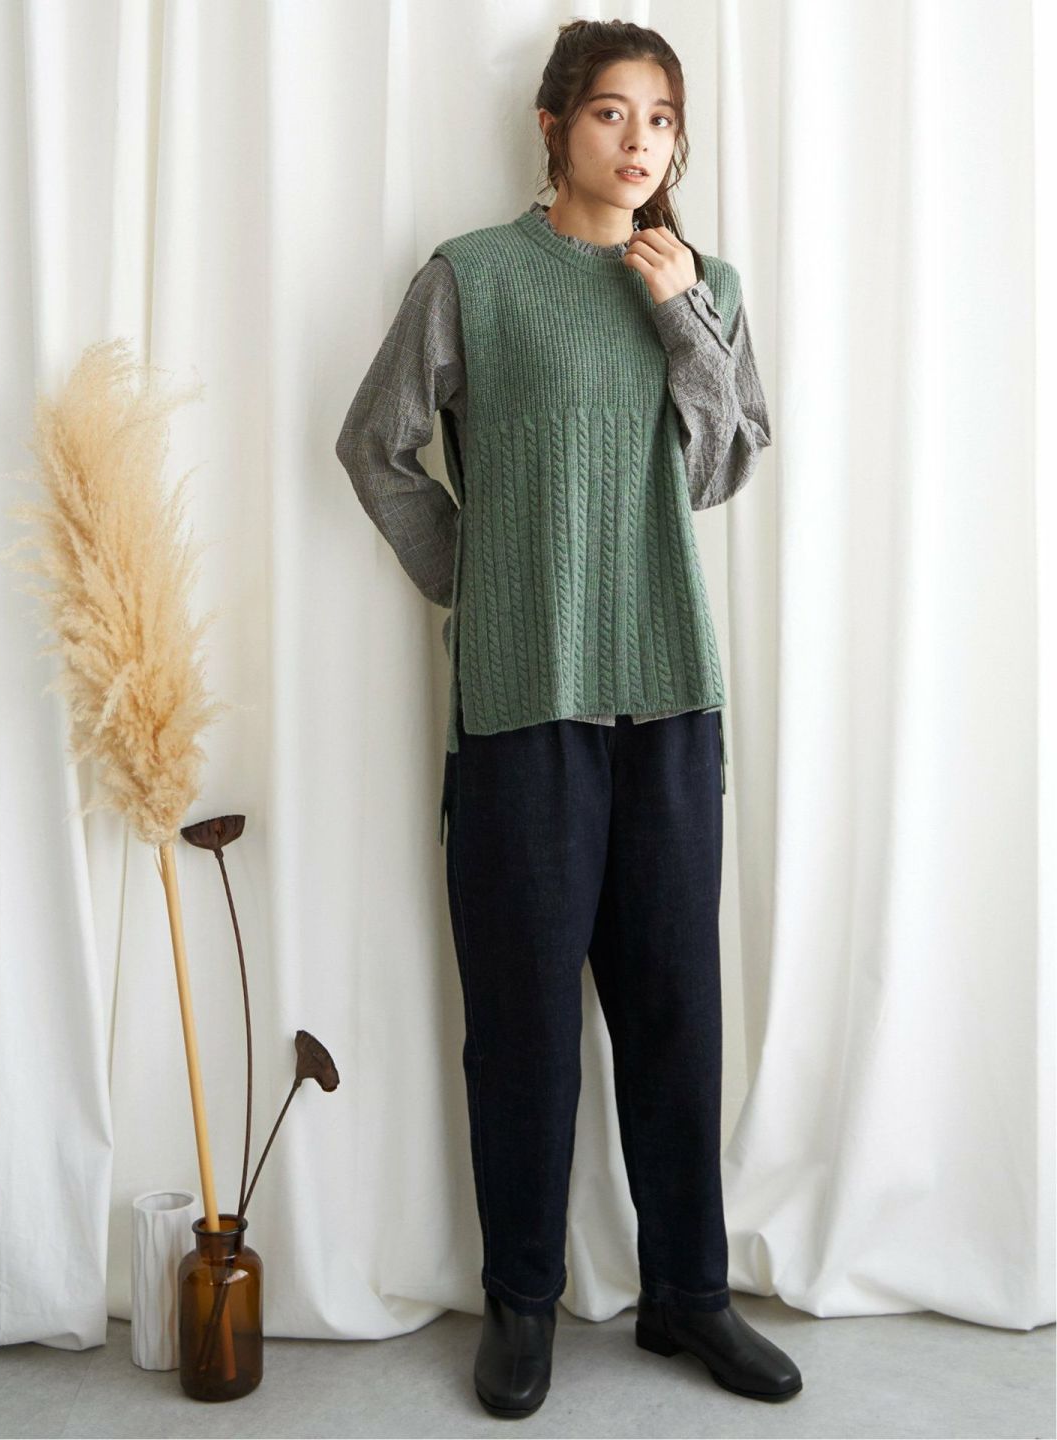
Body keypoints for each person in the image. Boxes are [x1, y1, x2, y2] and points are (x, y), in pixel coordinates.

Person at [335, 17, 801, 1419]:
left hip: (669, 700)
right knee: (523, 1024)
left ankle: (689, 1296)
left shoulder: (704, 283)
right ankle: (522, 1302)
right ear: (554, 125)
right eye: (611, 112)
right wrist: (474, 578)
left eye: (661, 118)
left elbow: (724, 465)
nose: (639, 140)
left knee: (676, 1017)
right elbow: (374, 443)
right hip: (521, 701)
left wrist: (681, 315)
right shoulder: (473, 276)